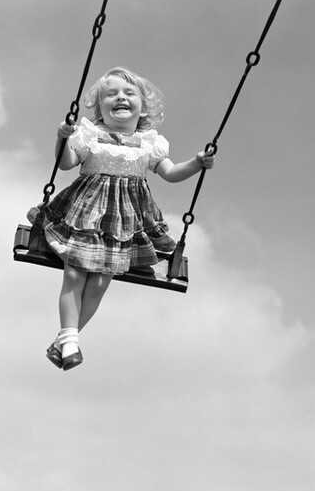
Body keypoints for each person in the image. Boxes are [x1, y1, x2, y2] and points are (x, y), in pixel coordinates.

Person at [28, 66, 216, 370]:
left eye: (129, 94)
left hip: (123, 223)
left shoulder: (150, 143)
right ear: (100, 107)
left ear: (143, 107)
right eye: (111, 94)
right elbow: (65, 164)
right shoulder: (90, 134)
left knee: (100, 281)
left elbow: (171, 174)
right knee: (75, 274)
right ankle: (70, 340)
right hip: (86, 212)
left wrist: (196, 163)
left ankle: (63, 341)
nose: (120, 98)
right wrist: (62, 138)